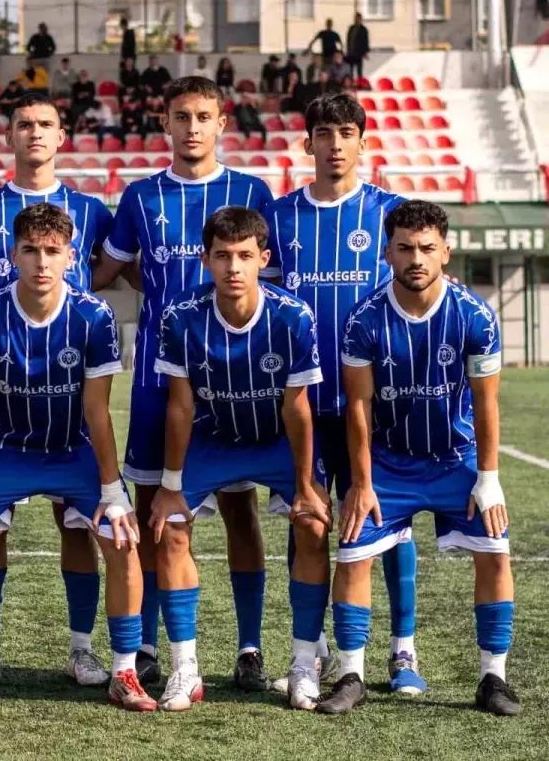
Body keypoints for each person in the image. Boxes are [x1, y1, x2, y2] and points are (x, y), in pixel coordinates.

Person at [0, 202, 152, 714]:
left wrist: (113, 493)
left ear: (71, 257)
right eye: (30, 251)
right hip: (7, 446)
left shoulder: (94, 316)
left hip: (74, 449)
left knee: (122, 538)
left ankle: (124, 671)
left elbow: (97, 411)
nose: (42, 263)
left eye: (53, 251)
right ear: (12, 254)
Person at [91, 76, 275, 692]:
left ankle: (249, 647)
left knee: (238, 509)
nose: (192, 127)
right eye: (180, 116)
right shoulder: (141, 198)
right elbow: (107, 270)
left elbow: (267, 277)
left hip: (237, 382)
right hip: (156, 381)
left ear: (222, 123)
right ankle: (144, 643)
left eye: (203, 116)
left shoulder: (251, 191)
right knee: (153, 514)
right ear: (164, 125)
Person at [319, 199, 520, 717]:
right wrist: (361, 483)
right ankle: (351, 674)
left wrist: (489, 478)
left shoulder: (475, 315)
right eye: (405, 247)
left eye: (427, 248)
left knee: (496, 550)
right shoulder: (363, 319)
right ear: (387, 252)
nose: (416, 258)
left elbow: (486, 401)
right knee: (352, 551)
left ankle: (492, 679)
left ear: (445, 252)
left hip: (457, 459)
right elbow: (358, 407)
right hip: (390, 461)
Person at [0, 93, 116, 689]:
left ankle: (82, 648)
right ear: (10, 135)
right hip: (4, 402)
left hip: (67, 403)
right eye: (24, 124)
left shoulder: (92, 210)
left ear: (62, 134)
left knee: (77, 527)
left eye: (46, 123)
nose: (35, 133)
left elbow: (117, 269)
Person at [260, 93, 420, 697]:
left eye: (345, 132)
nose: (333, 144)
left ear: (361, 140)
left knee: (390, 522)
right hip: (301, 399)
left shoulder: (390, 212)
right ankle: (313, 650)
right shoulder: (279, 217)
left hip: (376, 401)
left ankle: (402, 652)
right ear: (307, 143)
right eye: (322, 133)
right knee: (308, 522)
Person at [148, 206, 331, 712]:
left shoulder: (293, 316)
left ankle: (301, 665)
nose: (233, 267)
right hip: (215, 437)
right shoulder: (181, 317)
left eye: (245, 256)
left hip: (275, 439)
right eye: (223, 256)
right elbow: (181, 405)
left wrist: (304, 485)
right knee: (171, 526)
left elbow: (297, 409)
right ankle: (186, 668)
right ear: (206, 259)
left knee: (314, 527)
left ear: (262, 259)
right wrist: (169, 485)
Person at [345, 12, 370, 80]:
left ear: (361, 19)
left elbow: (366, 41)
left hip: (359, 53)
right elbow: (348, 39)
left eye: (358, 18)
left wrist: (366, 52)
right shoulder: (351, 28)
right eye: (355, 18)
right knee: (350, 70)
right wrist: (347, 50)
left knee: (359, 70)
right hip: (351, 52)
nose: (357, 20)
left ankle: (359, 83)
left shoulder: (363, 29)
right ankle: (351, 83)